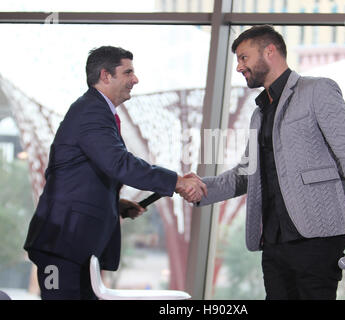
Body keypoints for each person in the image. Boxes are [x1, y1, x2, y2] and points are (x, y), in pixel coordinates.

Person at [193, 25, 345, 300]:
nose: (238, 67)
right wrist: (201, 187)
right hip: (273, 240)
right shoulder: (259, 114)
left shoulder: (318, 90)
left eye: (243, 58)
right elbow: (246, 174)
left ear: (269, 51)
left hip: (317, 237)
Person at [24, 46, 207, 300]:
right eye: (128, 72)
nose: (136, 79)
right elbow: (118, 163)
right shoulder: (91, 111)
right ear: (105, 75)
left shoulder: (98, 111)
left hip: (74, 245)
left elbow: (80, 175)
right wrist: (175, 181)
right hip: (61, 245)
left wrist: (114, 204)